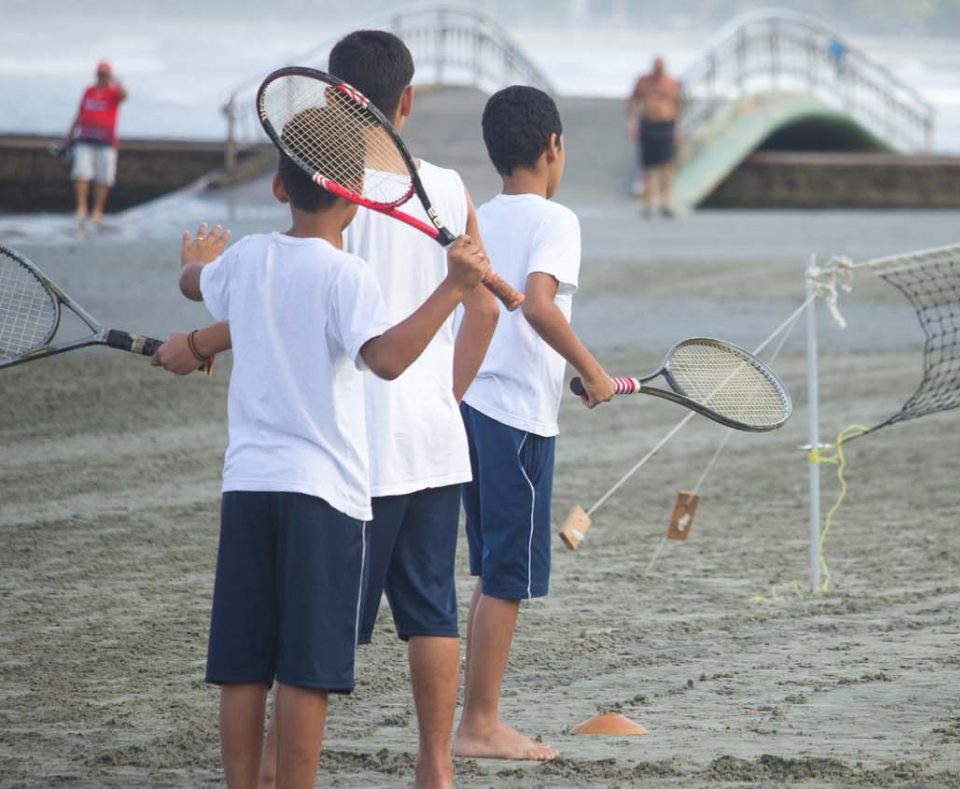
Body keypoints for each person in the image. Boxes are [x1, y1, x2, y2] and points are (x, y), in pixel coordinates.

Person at [152, 30, 500, 788]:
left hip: (354, 449)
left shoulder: (334, 178)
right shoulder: (443, 186)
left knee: (306, 637)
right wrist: (446, 397)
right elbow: (483, 313)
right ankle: (435, 765)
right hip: (430, 436)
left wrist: (204, 338)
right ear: (406, 100)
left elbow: (286, 306)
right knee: (431, 606)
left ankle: (275, 770)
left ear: (329, 96)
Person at [452, 85, 615, 760]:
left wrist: (569, 372)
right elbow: (539, 307)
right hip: (514, 417)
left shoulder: (478, 217)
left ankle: (472, 717)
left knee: (493, 568)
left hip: (471, 407)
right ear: (553, 147)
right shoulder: (557, 218)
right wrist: (594, 368)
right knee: (507, 575)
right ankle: (479, 723)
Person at [64, 60, 126, 223]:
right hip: (85, 138)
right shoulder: (89, 91)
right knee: (81, 173)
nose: (102, 77)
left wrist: (115, 80)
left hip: (106, 141)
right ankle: (81, 208)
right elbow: (80, 113)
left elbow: (124, 95)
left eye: (105, 74)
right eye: (100, 74)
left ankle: (97, 211)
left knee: (104, 177)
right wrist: (69, 135)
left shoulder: (113, 92)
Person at [626, 57, 682, 218]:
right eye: (657, 67)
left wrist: (677, 129)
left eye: (662, 67)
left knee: (667, 165)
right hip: (648, 124)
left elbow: (677, 105)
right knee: (648, 166)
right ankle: (648, 202)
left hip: (666, 125)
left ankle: (665, 201)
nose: (659, 70)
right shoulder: (644, 82)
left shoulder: (671, 82)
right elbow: (633, 101)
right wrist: (631, 123)